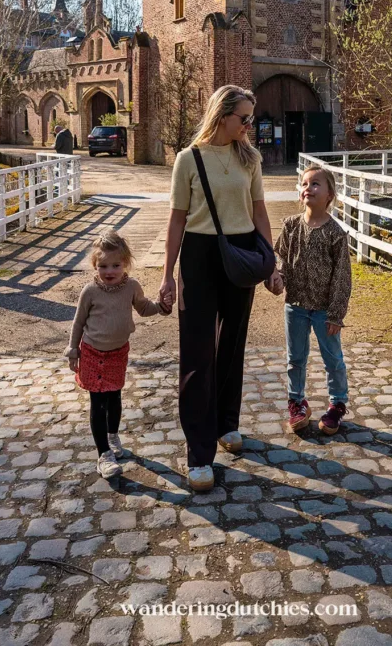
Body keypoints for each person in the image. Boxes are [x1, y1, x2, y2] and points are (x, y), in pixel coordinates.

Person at [160, 85, 272, 492]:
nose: (248, 125)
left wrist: (270, 261)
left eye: (250, 119)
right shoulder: (188, 159)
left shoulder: (250, 159)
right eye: (243, 118)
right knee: (197, 353)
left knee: (232, 344)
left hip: (241, 252)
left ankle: (227, 423)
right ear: (221, 115)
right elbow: (176, 220)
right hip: (200, 255)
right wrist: (167, 273)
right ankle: (198, 452)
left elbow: (259, 209)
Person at [66, 227, 172, 478]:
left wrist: (162, 307)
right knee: (97, 402)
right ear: (95, 265)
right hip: (91, 352)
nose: (109, 271)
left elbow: (144, 308)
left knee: (114, 397)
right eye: (103, 266)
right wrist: (72, 349)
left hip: (117, 352)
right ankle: (103, 454)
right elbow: (78, 321)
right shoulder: (90, 291)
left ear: (125, 264)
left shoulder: (131, 286)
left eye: (115, 265)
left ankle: (112, 437)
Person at [267, 165, 351, 435]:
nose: (308, 188)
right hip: (296, 306)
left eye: (316, 184)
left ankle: (337, 404)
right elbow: (281, 261)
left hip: (325, 310)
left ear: (329, 194)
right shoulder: (291, 226)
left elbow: (342, 278)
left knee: (332, 359)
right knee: (296, 358)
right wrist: (277, 279)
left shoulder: (336, 234)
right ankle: (296, 402)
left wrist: (336, 313)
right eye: (304, 184)